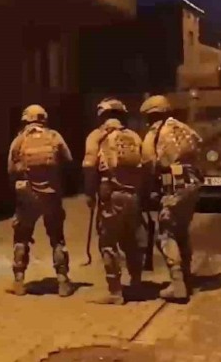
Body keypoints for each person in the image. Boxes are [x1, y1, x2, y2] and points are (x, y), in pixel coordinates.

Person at [7, 104, 74, 297]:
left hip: (27, 196)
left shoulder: (20, 140)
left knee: (21, 237)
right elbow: (68, 160)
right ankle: (63, 281)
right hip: (51, 195)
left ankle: (19, 281)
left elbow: (10, 169)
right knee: (57, 239)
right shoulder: (54, 136)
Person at [140, 95, 202, 301]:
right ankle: (186, 276)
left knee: (166, 234)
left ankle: (177, 284)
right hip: (192, 183)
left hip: (174, 185)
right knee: (181, 231)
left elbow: (148, 163)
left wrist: (148, 189)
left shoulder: (155, 132)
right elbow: (199, 148)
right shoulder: (184, 128)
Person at [83, 98, 144, 305]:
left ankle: (115, 292)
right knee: (131, 241)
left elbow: (89, 166)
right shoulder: (134, 136)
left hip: (111, 197)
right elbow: (145, 165)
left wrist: (89, 194)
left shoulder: (97, 136)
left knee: (108, 243)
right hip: (133, 197)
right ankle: (136, 284)